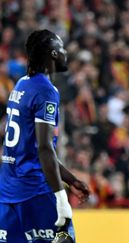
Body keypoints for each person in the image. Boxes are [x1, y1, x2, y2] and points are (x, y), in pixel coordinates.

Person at [0, 29, 89, 243]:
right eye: (62, 48)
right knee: (65, 239)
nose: (65, 52)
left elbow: (34, 150)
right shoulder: (46, 91)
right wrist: (61, 197)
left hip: (8, 191)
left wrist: (72, 180)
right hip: (35, 193)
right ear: (53, 54)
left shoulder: (21, 85)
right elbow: (44, 149)